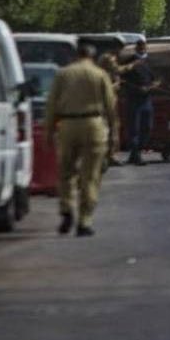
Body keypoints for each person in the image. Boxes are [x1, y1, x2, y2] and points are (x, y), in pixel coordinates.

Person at [45, 42, 116, 237]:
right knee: (90, 175)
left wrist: (48, 132)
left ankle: (67, 208)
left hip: (67, 125)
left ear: (76, 56)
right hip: (94, 124)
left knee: (66, 172)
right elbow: (110, 107)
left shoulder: (63, 74)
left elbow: (51, 105)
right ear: (92, 57)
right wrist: (114, 137)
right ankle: (85, 220)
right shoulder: (100, 74)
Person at [122, 39, 159, 165]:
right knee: (134, 129)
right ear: (136, 48)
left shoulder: (149, 62)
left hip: (147, 100)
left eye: (144, 47)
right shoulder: (129, 62)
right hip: (133, 100)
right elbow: (123, 81)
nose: (142, 50)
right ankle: (137, 156)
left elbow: (157, 79)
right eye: (140, 47)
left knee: (147, 128)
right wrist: (137, 88)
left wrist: (152, 86)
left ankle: (135, 154)